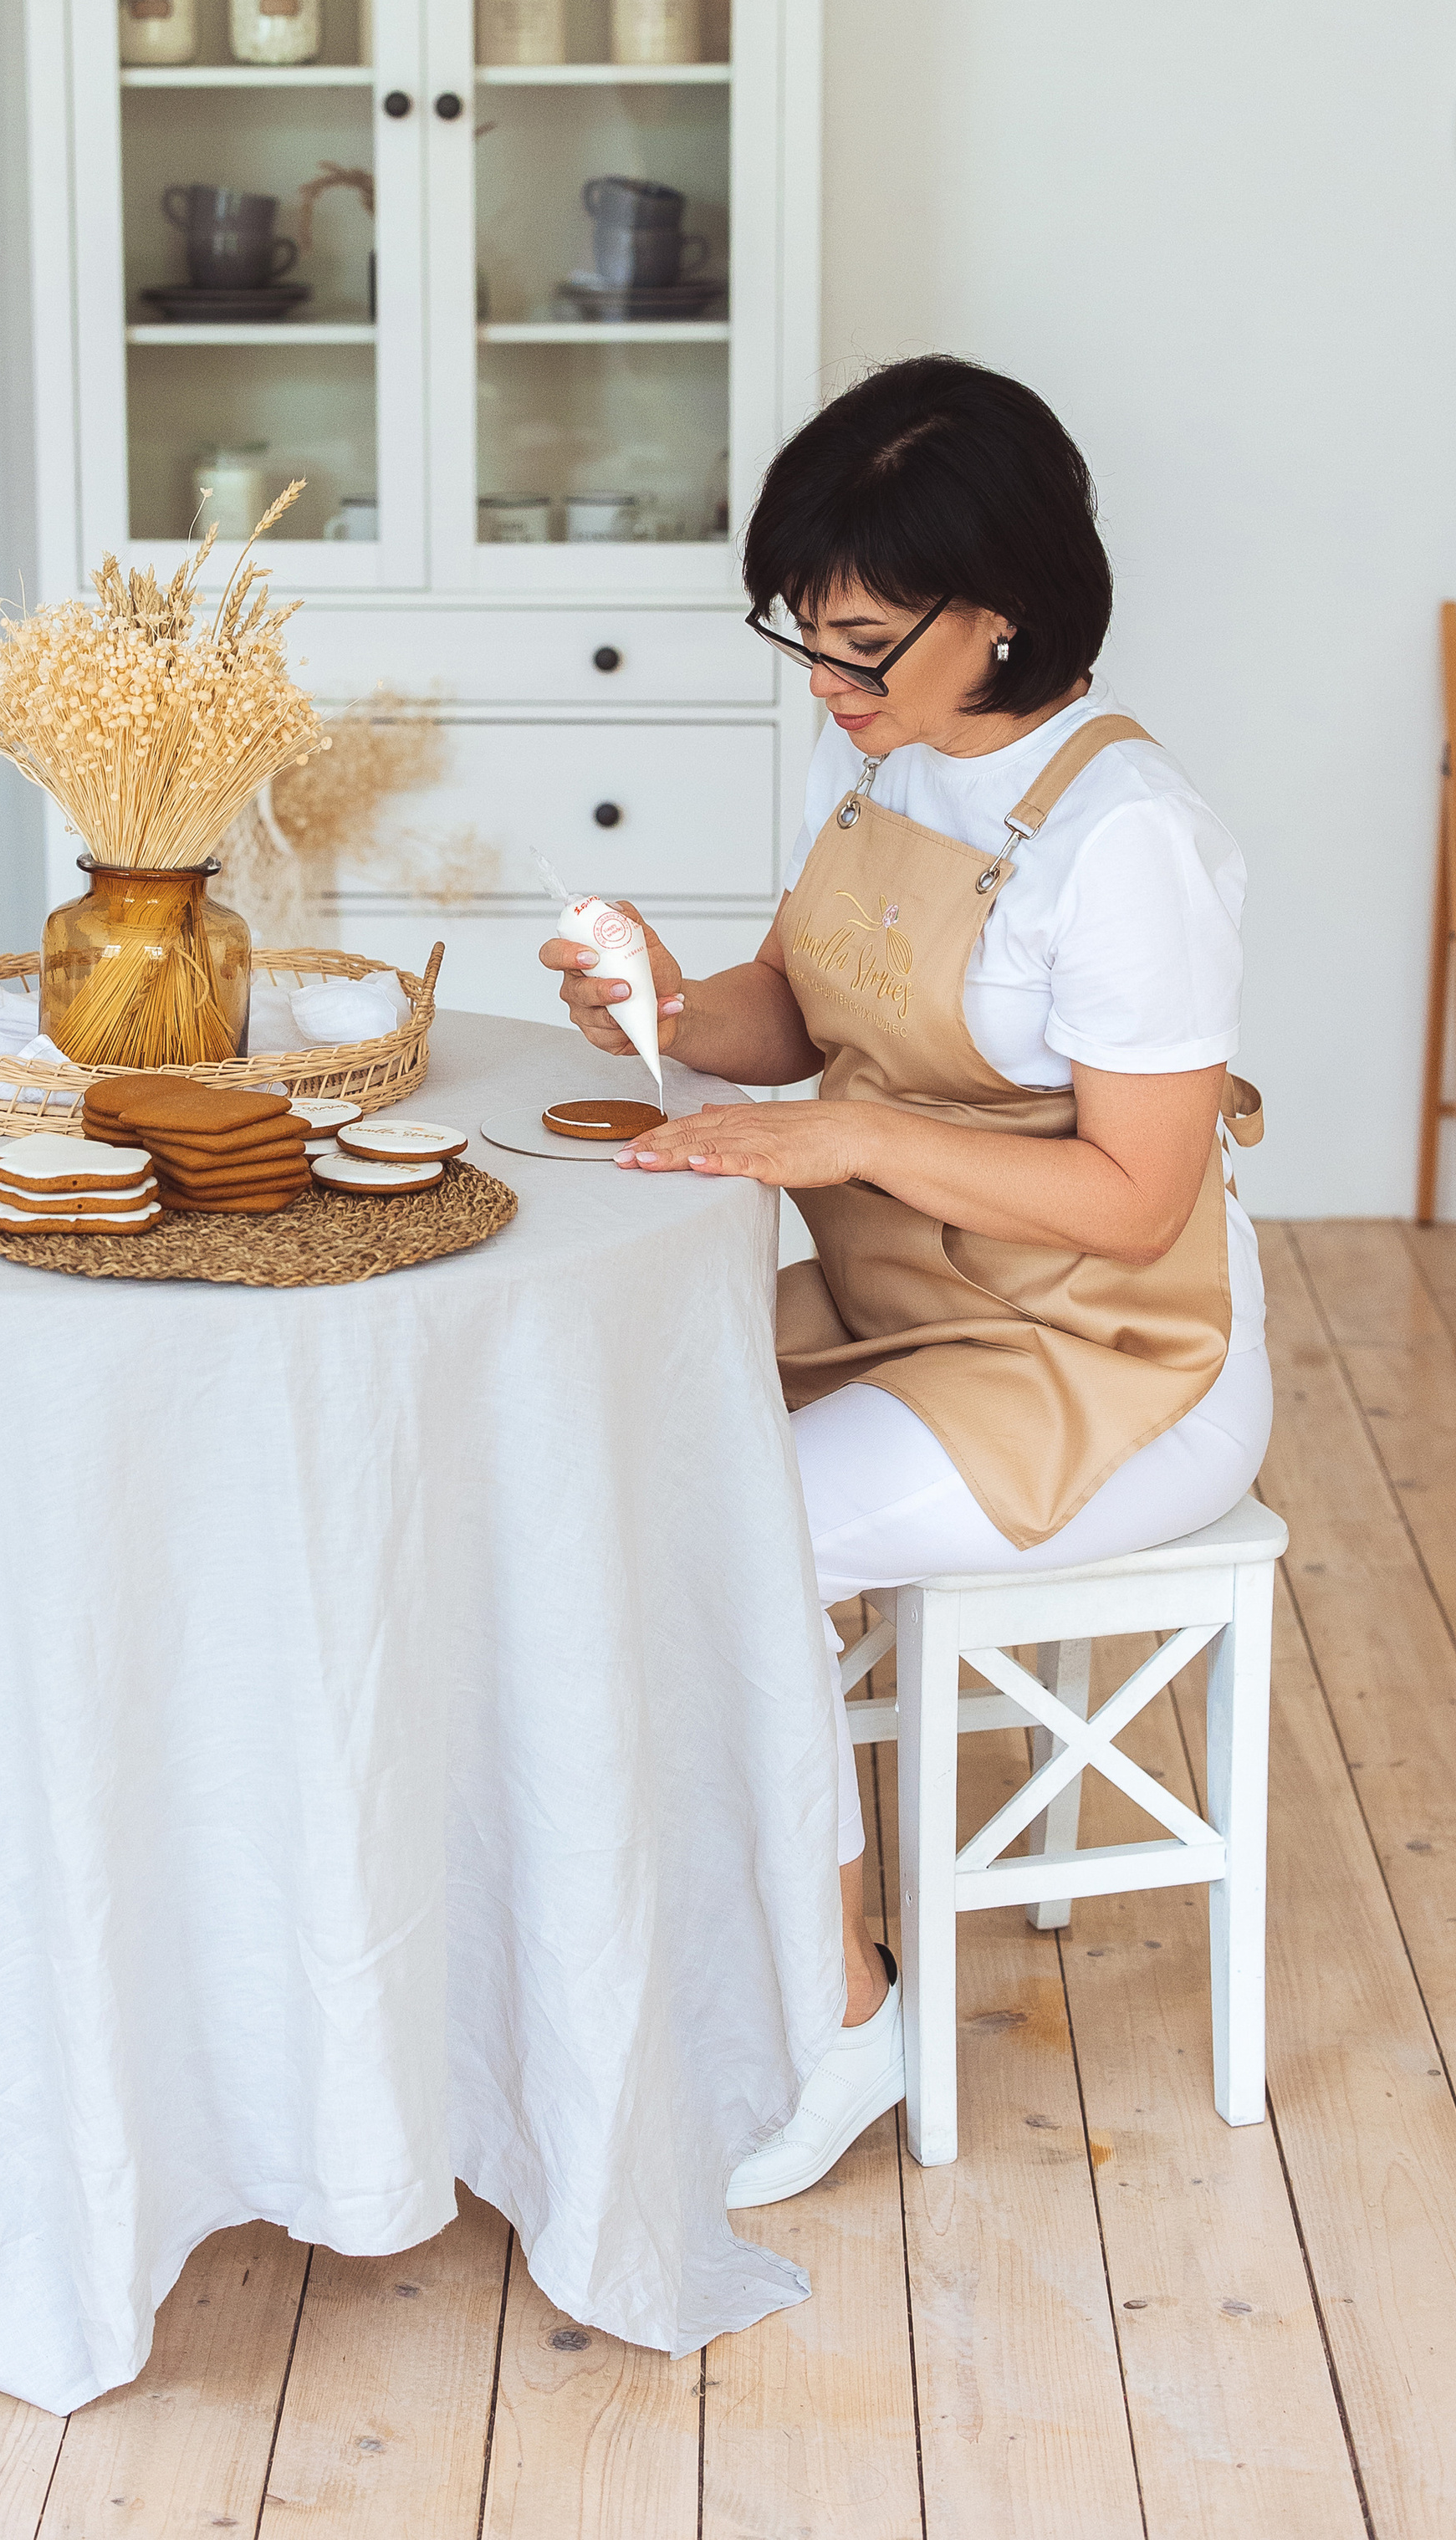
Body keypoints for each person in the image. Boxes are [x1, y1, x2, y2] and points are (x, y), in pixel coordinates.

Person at [542, 355, 1268, 2206]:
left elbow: (1127, 1200)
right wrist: (661, 1003)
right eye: (808, 639)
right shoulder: (868, 750)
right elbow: (788, 1015)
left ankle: (833, 2008)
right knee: (595, 1445)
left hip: (1106, 1359)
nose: (827, 685)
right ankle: (693, 1917)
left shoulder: (1129, 846)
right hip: (900, 1308)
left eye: (861, 646)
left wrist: (849, 1146)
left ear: (996, 617)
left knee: (729, 1529)